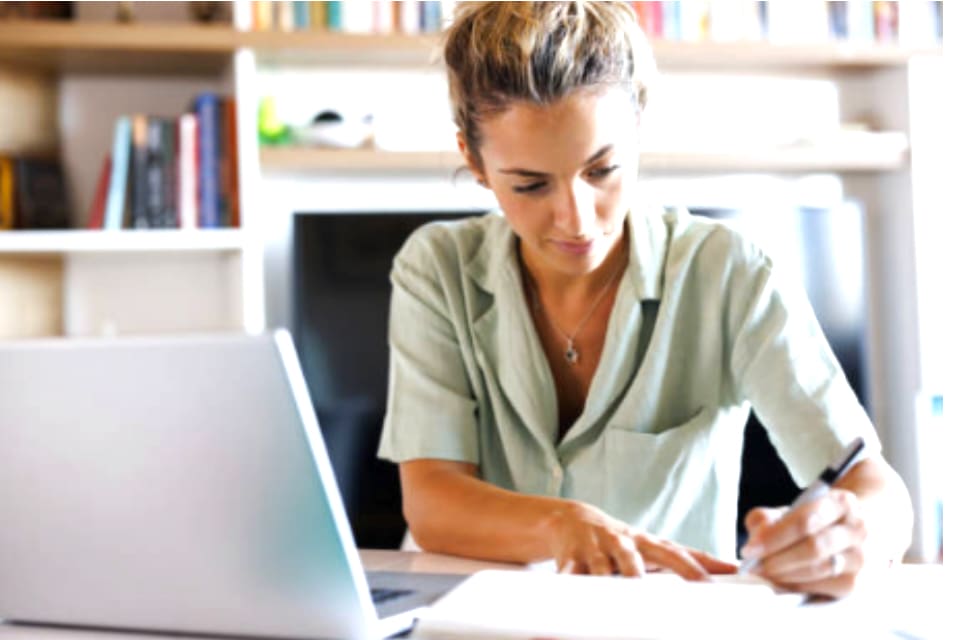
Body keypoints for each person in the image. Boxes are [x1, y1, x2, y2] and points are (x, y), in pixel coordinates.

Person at [377, 1, 912, 599]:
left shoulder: (729, 272)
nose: (576, 220)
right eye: (530, 185)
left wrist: (859, 532)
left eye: (602, 170)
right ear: (475, 162)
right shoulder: (436, 268)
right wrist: (562, 524)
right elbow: (432, 501)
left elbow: (872, 483)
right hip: (473, 619)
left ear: (637, 129)